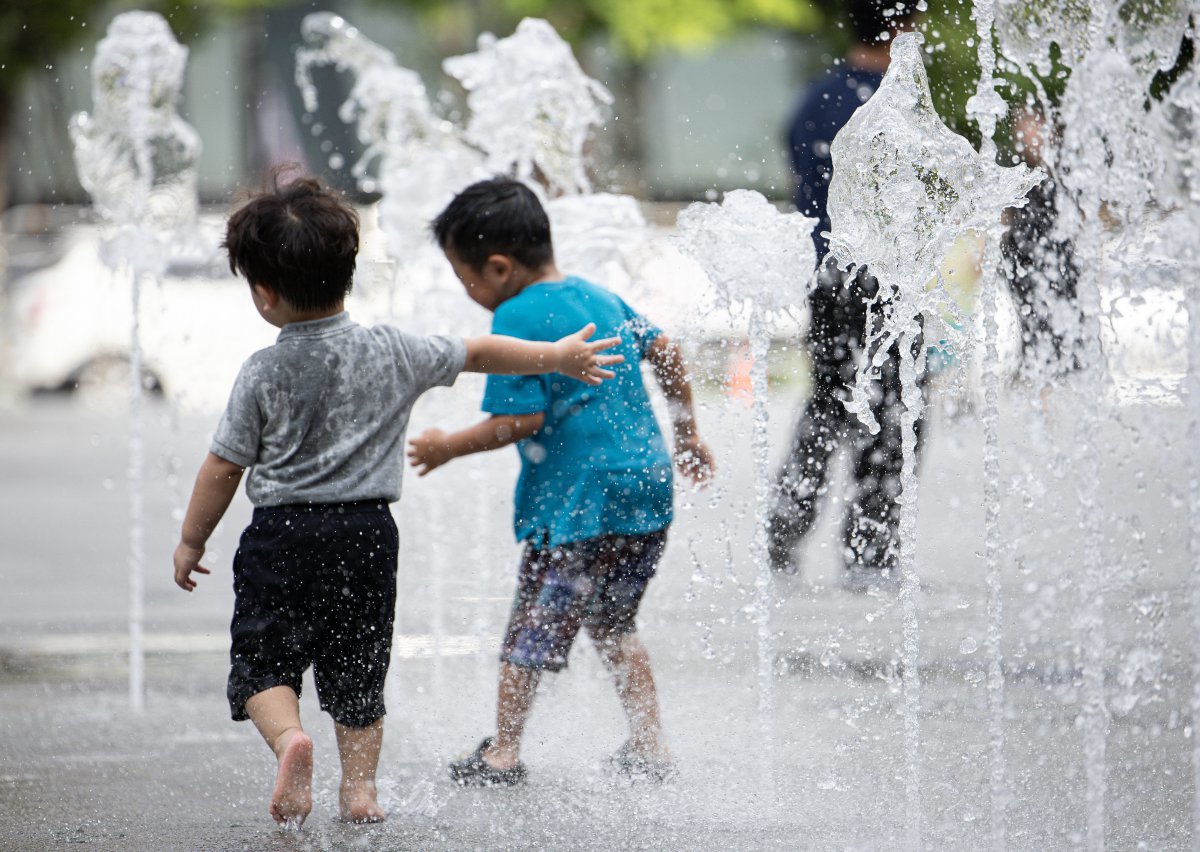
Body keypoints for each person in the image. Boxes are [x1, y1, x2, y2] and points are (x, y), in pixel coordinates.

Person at [171, 171, 623, 828]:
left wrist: (192, 539)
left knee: (263, 661)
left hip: (282, 535)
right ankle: (360, 791)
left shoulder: (263, 371)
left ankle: (290, 739)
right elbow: (476, 351)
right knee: (358, 668)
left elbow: (223, 465)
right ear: (346, 273)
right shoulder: (392, 349)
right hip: (367, 535)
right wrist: (552, 356)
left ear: (263, 294)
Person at [408, 177, 714, 786]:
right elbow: (670, 353)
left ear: (497, 268)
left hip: (580, 502)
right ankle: (650, 745)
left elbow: (520, 421)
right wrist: (687, 435)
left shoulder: (514, 314)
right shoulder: (600, 295)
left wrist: (447, 448)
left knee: (532, 625)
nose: (465, 291)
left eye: (462, 276)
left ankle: (503, 752)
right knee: (613, 621)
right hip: (646, 489)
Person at [769, 0, 923, 588]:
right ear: (902, 28)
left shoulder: (814, 100)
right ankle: (870, 557)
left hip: (828, 281)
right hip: (888, 284)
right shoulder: (895, 102)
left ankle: (783, 538)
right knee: (894, 412)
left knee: (829, 403)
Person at [1001, 106, 1082, 383]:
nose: (1028, 135)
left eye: (1033, 128)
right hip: (1020, 260)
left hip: (1060, 260)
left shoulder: (1065, 170)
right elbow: (1004, 214)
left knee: (1066, 318)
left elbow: (1083, 218)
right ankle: (1036, 377)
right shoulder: (1016, 169)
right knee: (1031, 321)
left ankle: (1066, 375)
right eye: (1023, 130)